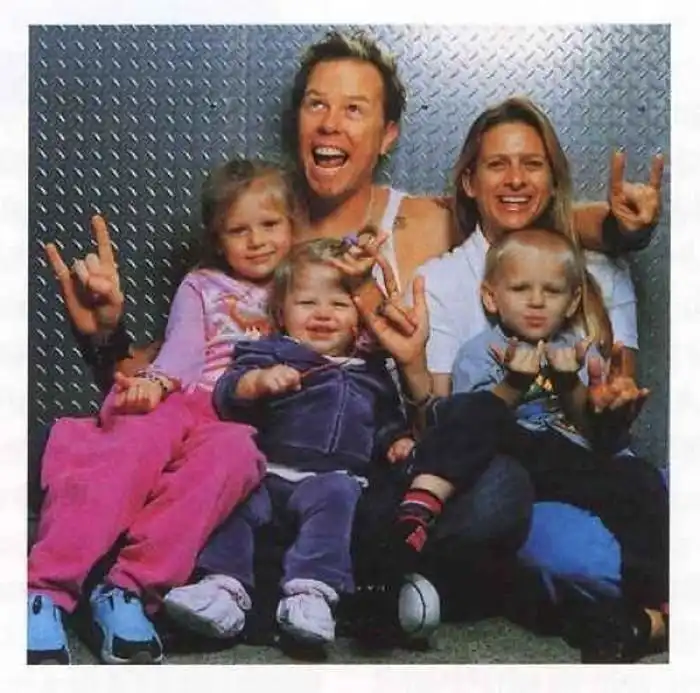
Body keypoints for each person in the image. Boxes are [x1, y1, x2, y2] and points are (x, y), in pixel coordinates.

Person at [37, 31, 665, 641]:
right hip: (251, 463)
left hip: (363, 468)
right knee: (134, 455)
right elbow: (180, 367)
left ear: (387, 134)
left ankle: (310, 583)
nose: (331, 124)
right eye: (317, 104)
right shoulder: (263, 221)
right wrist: (106, 336)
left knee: (497, 490)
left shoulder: (423, 221)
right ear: (297, 122)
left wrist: (619, 229)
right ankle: (271, 584)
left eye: (354, 108)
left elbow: (523, 212)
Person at [27, 158, 298, 664]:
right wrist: (154, 383)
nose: (257, 240)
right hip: (182, 394)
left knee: (236, 455)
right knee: (135, 443)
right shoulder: (202, 283)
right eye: (239, 230)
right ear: (218, 240)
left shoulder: (300, 285)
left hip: (232, 419)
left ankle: (126, 590)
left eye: (270, 224)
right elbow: (183, 348)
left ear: (293, 227)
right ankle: (42, 591)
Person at [378, 227, 668, 662]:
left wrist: (571, 383)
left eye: (551, 291)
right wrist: (513, 382)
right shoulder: (482, 351)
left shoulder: (579, 350)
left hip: (568, 456)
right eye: (520, 289)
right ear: (491, 297)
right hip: (512, 456)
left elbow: (596, 435)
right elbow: (472, 424)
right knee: (470, 412)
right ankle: (423, 500)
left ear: (572, 301)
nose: (536, 301)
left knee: (639, 477)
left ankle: (651, 603)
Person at [162, 238, 414, 647]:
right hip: (270, 470)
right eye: (307, 303)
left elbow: (384, 419)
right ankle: (221, 588)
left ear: (360, 319)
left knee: (336, 503)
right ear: (281, 313)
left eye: (339, 304)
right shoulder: (272, 353)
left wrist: (395, 440)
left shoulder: (370, 372)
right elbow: (226, 392)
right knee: (236, 505)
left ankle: (311, 593)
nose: (323, 314)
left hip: (332, 478)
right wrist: (256, 382)